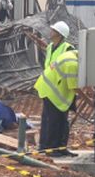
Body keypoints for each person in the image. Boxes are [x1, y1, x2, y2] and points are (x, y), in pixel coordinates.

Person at [34, 21, 80, 157]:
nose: (50, 31)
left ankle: (58, 147)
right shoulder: (50, 47)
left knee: (59, 120)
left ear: (59, 34)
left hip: (61, 89)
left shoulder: (68, 49)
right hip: (51, 87)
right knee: (50, 118)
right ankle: (48, 147)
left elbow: (69, 73)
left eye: (53, 29)